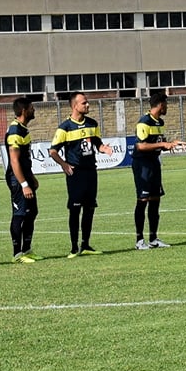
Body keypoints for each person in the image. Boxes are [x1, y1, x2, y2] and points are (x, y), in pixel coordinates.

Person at [51, 91, 110, 256]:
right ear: (74, 106)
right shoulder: (65, 127)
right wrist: (64, 164)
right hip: (75, 174)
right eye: (84, 103)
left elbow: (98, 143)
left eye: (87, 102)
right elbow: (53, 151)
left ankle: (86, 245)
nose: (88, 105)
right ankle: (74, 247)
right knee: (75, 210)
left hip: (91, 171)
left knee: (90, 208)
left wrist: (104, 149)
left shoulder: (92, 124)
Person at [132, 92, 173, 248]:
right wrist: (162, 145)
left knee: (155, 200)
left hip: (154, 164)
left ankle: (154, 239)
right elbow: (141, 146)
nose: (167, 107)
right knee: (143, 201)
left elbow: (157, 144)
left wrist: (169, 144)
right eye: (166, 104)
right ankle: (139, 240)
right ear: (161, 104)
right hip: (142, 165)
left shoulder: (160, 123)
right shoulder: (144, 122)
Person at [4, 96, 41, 263]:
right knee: (20, 214)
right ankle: (17, 254)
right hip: (17, 179)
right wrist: (24, 184)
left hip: (25, 177)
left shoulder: (23, 129)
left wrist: (31, 177)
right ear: (24, 110)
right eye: (32, 107)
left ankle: (26, 249)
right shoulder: (14, 131)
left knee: (32, 212)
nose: (34, 110)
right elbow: (14, 161)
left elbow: (24, 160)